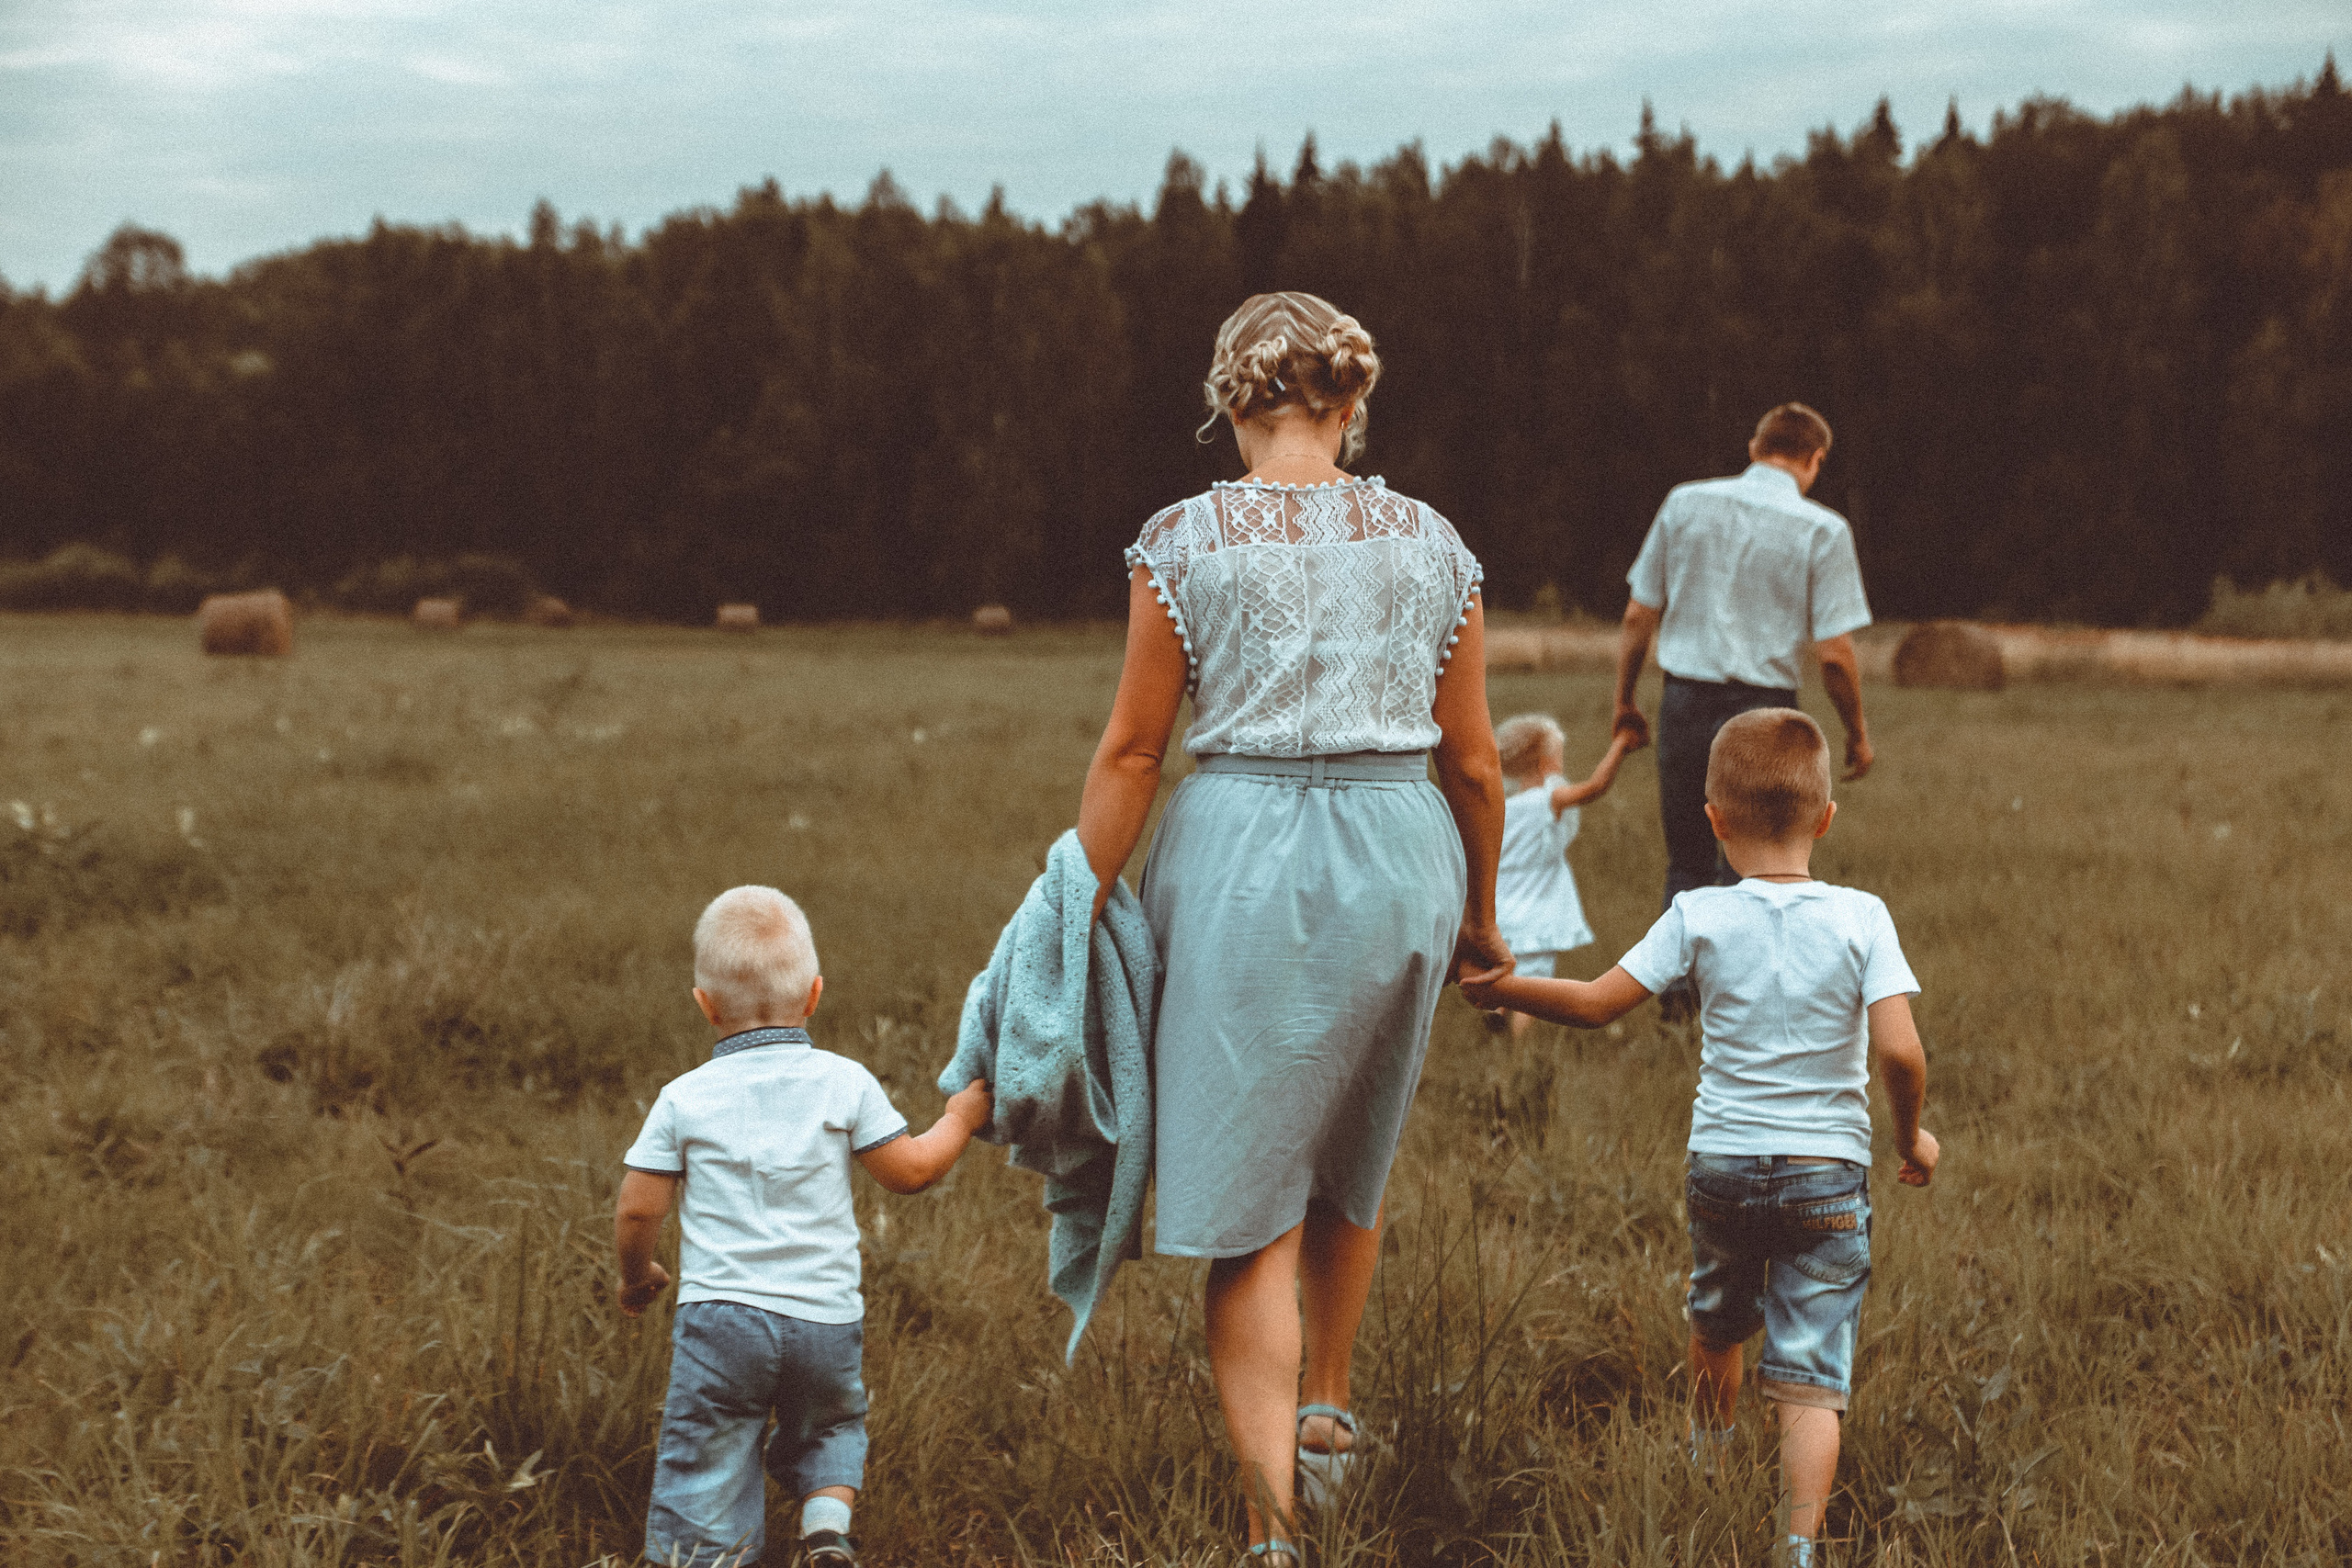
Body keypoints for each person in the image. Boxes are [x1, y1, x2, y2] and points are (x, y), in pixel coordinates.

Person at [1077, 291, 1510, 1565]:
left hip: (1239, 860)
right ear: (1353, 399)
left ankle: (1272, 1529)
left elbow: (1135, 750)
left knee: (1249, 1189)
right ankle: (1328, 1410)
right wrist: (1484, 916)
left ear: (1230, 401)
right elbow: (1475, 762)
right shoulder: (1434, 542)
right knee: (1348, 1142)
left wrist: (1070, 903)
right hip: (1401, 854)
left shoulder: (1183, 541)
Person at [1462, 709, 1937, 1568]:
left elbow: (1598, 1003)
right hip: (1827, 1175)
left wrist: (1503, 989)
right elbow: (1901, 1052)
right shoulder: (1864, 916)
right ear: (1827, 817)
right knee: (1811, 1377)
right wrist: (1912, 1140)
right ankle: (1797, 1545)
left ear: (1714, 819)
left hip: (1724, 1165)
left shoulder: (1698, 912)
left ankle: (1707, 1456)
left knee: (1717, 1323)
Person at [614, 886, 992, 1568]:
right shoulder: (844, 1082)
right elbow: (911, 1171)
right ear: (815, 994)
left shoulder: (683, 1097)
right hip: (825, 1318)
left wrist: (637, 1277)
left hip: (722, 1320)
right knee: (831, 1424)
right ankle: (824, 1530)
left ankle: (707, 1556)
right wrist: (959, 1118)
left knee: (710, 1450)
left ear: (704, 1004)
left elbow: (639, 1208)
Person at [1611, 404, 1876, 1005]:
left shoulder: (1684, 503)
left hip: (1684, 699)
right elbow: (1835, 655)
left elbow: (1637, 615)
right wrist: (1857, 733)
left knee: (1686, 859)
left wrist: (1626, 700)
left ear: (1755, 447)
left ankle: (1677, 999)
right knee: (1757, 865)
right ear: (1814, 461)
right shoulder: (1823, 529)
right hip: (1765, 711)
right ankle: (1736, 1002)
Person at [1487, 713, 1636, 1037]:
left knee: (1506, 966)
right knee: (1534, 982)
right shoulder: (1549, 800)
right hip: (1537, 906)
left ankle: (1497, 1010)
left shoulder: (1504, 806)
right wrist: (1620, 746)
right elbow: (1595, 787)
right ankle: (1519, 1048)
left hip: (1503, 905)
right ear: (1545, 763)